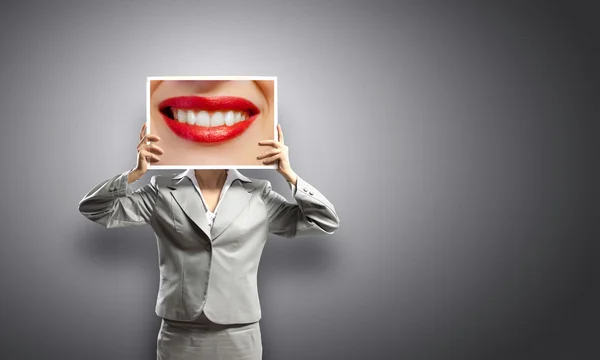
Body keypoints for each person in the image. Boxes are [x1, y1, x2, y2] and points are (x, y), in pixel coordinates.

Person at [78, 122, 340, 359]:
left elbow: (324, 221)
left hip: (240, 331)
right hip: (179, 331)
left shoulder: (259, 193)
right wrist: (134, 174)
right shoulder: (161, 190)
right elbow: (96, 209)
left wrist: (289, 175)